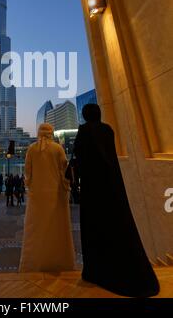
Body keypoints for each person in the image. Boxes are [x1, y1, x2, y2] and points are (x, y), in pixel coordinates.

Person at [74, 103, 160, 298]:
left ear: (86, 115)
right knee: (119, 223)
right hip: (112, 185)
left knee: (95, 226)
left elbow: (80, 156)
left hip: (93, 187)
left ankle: (96, 271)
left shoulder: (85, 130)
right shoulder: (108, 129)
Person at [19, 123, 75, 272]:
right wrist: (66, 186)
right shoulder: (58, 148)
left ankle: (32, 264)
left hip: (37, 196)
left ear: (39, 132)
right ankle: (61, 262)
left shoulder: (32, 149)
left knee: (35, 228)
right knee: (57, 227)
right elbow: (65, 172)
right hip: (56, 194)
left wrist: (30, 186)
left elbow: (27, 173)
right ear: (51, 132)